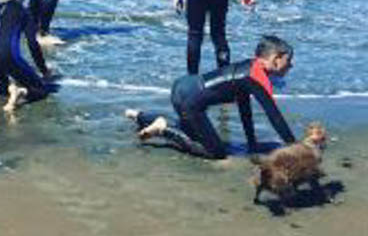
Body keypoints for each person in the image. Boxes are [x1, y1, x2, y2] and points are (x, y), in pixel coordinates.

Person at [125, 35, 296, 159]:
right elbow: (275, 117)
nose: (290, 65)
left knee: (189, 129)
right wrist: (296, 147)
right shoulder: (258, 78)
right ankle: (163, 130)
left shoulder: (249, 67)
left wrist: (251, 143)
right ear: (276, 59)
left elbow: (245, 107)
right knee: (216, 152)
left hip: (183, 87)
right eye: (288, 61)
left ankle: (140, 116)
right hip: (190, 102)